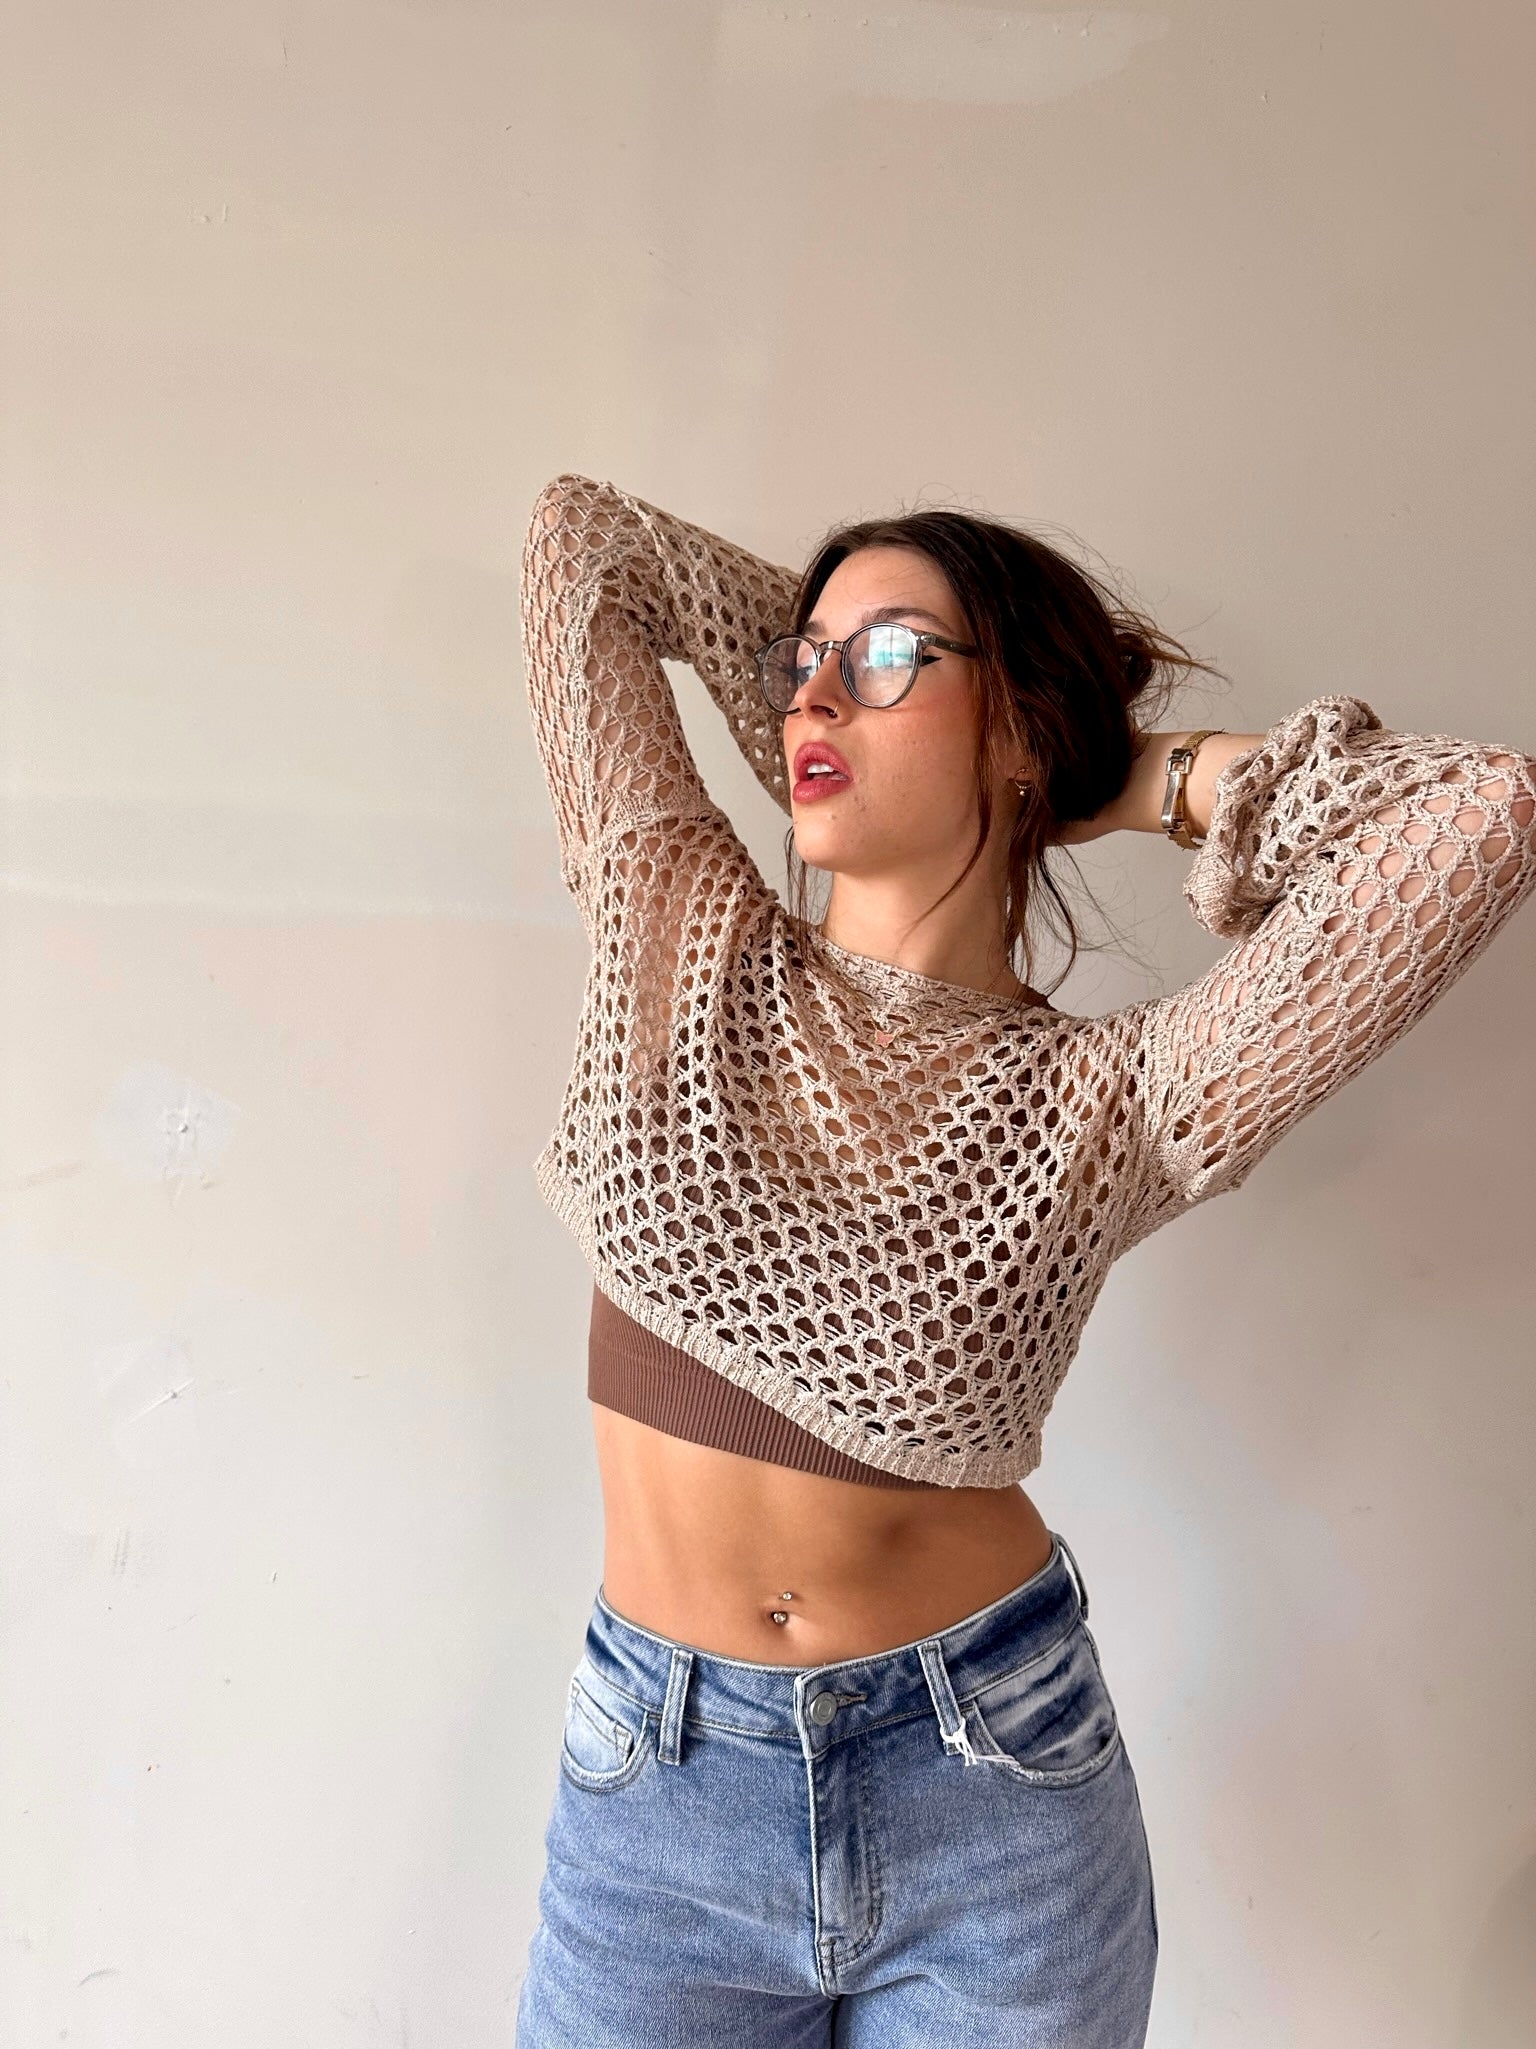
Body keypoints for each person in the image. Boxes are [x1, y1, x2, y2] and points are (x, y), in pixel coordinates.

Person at [511, 472, 1534, 2048]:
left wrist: (1122, 772)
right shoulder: (677, 921)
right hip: (660, 1800)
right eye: (802, 660)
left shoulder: (1114, 1099)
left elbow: (1486, 814)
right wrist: (868, 681)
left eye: (890, 654)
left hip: (992, 1788)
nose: (815, 695)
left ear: (1018, 727)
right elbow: (584, 543)